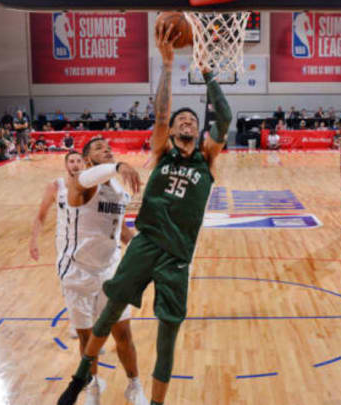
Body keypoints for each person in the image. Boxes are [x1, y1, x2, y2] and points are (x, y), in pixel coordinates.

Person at [56, 22, 232, 405]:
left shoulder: (207, 160)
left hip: (177, 257)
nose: (186, 122)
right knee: (109, 316)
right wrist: (168, 67)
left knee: (168, 337)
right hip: (146, 243)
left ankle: (155, 402)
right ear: (170, 134)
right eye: (180, 122)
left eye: (192, 121)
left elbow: (227, 117)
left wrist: (207, 75)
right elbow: (162, 113)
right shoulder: (161, 152)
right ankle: (81, 378)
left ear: (199, 133)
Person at [30, 146, 147, 405]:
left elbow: (120, 228)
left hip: (110, 271)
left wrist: (142, 253)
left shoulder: (117, 190)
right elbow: (87, 179)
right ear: (86, 160)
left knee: (123, 333)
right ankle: (92, 386)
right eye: (98, 147)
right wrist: (118, 167)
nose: (106, 148)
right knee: (87, 337)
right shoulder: (77, 182)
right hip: (77, 270)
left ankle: (134, 385)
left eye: (108, 146)